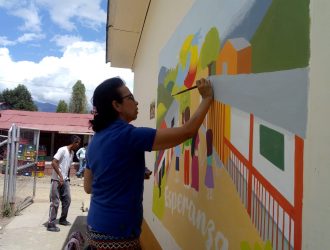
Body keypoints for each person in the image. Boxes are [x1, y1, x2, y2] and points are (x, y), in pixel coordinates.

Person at [84, 77, 213, 249]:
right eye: (130, 98)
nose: (136, 102)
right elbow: (187, 132)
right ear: (117, 105)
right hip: (117, 235)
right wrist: (206, 98)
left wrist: (129, 173)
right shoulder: (129, 136)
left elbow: (89, 187)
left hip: (95, 228)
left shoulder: (95, 140)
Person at [47, 135, 81, 232]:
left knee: (67, 200)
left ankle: (63, 219)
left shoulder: (72, 153)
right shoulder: (62, 150)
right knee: (55, 202)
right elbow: (53, 162)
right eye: (78, 143)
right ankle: (51, 224)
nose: (79, 145)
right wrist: (60, 177)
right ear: (74, 142)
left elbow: (68, 167)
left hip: (65, 180)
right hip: (56, 180)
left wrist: (66, 178)